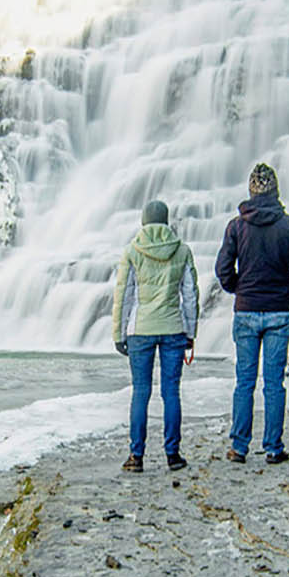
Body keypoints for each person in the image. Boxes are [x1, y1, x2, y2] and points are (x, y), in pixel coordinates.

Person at [215, 163, 289, 465]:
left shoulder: (236, 227)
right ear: (276, 192)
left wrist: (239, 289)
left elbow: (222, 270)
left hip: (246, 311)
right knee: (274, 383)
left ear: (250, 191)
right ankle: (273, 447)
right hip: (279, 312)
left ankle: (239, 447)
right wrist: (288, 288)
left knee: (244, 382)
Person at [112, 199, 199, 472]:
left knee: (141, 392)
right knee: (171, 392)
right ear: (167, 220)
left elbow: (124, 295)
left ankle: (136, 456)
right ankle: (173, 455)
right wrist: (191, 332)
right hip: (174, 327)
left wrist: (118, 332)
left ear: (143, 220)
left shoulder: (131, 251)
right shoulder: (182, 250)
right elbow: (190, 295)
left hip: (141, 330)